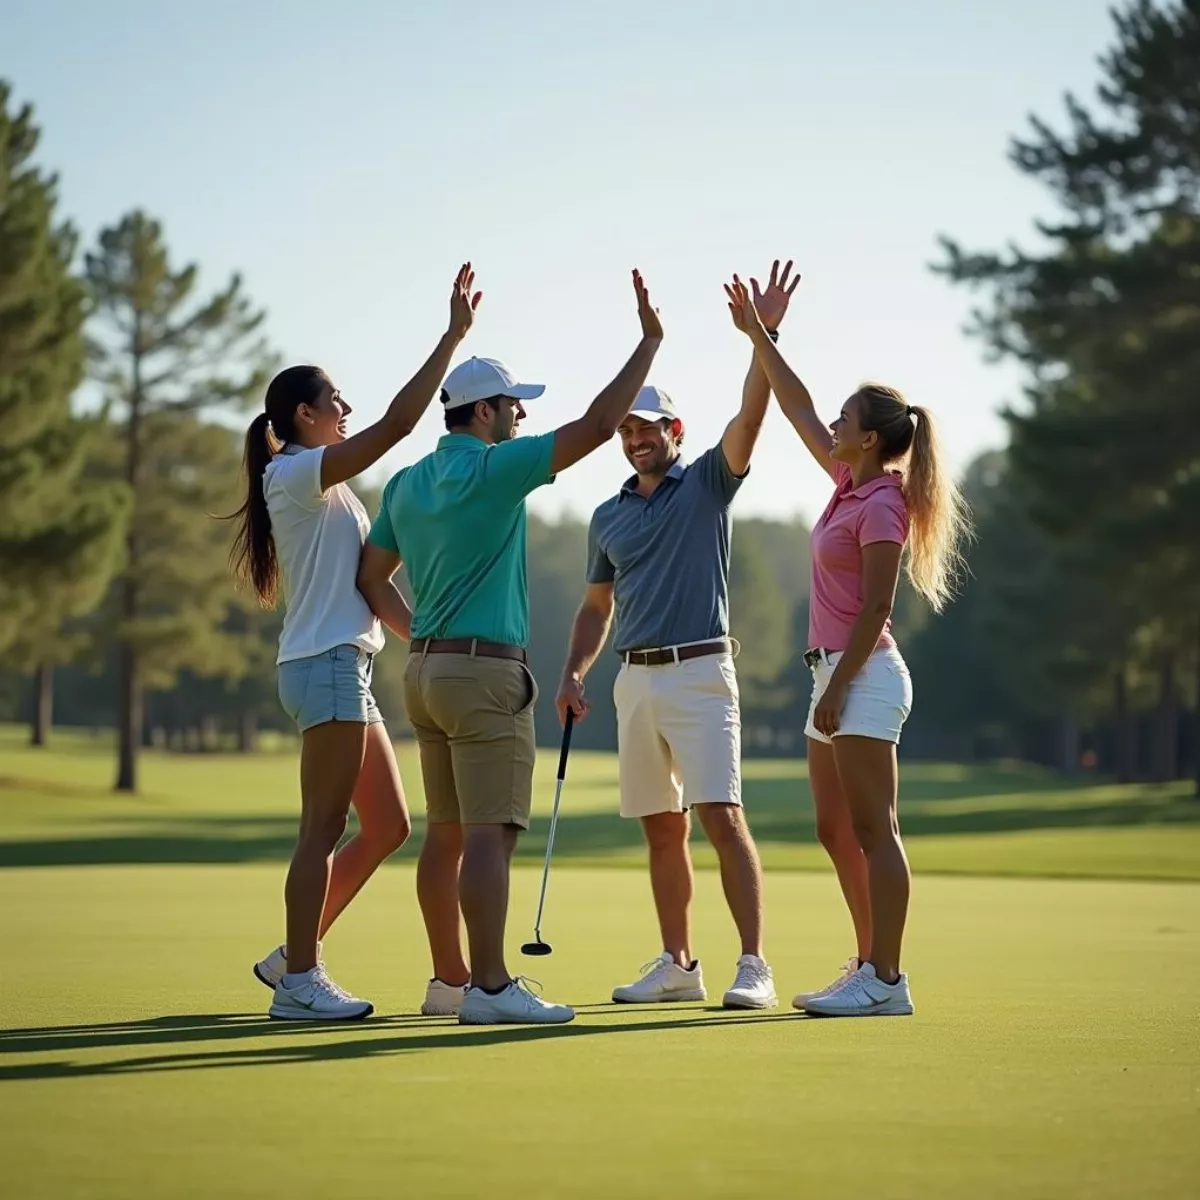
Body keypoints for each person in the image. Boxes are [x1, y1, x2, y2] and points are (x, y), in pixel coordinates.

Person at [357, 269, 664, 1026]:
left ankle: (448, 980)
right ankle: (491, 988)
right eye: (514, 405)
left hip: (425, 673)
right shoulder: (494, 468)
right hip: (485, 675)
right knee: (491, 834)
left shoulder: (406, 480)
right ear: (483, 412)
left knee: (447, 834)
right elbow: (597, 426)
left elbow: (372, 576)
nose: (522, 415)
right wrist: (649, 342)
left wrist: (425, 639)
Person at [226, 263, 482, 1021]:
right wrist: (452, 337)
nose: (346, 408)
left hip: (344, 668)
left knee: (391, 826)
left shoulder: (325, 484)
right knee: (323, 828)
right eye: (335, 400)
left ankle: (289, 957)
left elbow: (370, 585)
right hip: (326, 668)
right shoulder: (296, 473)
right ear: (304, 415)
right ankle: (302, 981)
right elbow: (400, 425)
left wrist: (423, 636)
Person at [554, 261, 800, 1012]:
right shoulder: (608, 515)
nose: (634, 438)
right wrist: (573, 673)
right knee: (661, 829)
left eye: (647, 427)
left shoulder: (707, 484)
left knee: (722, 816)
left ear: (674, 431)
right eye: (625, 428)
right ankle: (678, 963)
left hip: (699, 672)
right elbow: (597, 607)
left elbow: (751, 418)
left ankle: (753, 963)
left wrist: (764, 334)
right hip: (634, 679)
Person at [724, 274, 971, 1017]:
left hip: (862, 676)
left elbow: (877, 605)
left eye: (844, 419)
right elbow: (795, 406)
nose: (830, 423)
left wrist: (836, 689)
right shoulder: (845, 483)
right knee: (834, 828)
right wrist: (761, 337)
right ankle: (867, 961)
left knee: (874, 828)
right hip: (832, 676)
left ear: (871, 437)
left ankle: (887, 981)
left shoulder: (885, 502)